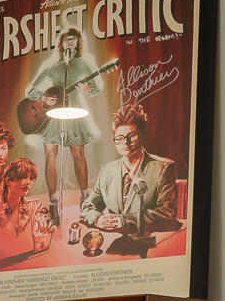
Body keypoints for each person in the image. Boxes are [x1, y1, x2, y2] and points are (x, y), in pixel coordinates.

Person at [71, 106, 182, 257]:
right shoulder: (106, 171)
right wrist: (98, 218)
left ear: (142, 135)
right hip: (114, 247)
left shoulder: (163, 168)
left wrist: (124, 220)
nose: (125, 142)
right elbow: (87, 207)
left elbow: (167, 212)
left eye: (132, 135)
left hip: (153, 245)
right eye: (119, 138)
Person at [22, 26, 113, 203]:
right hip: (52, 115)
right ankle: (53, 199)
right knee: (50, 155)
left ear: (78, 43)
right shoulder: (51, 65)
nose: (70, 42)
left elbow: (98, 87)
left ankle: (85, 195)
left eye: (73, 39)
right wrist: (44, 97)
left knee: (78, 154)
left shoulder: (84, 63)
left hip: (75, 112)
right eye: (67, 39)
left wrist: (88, 89)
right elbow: (30, 90)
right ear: (61, 43)